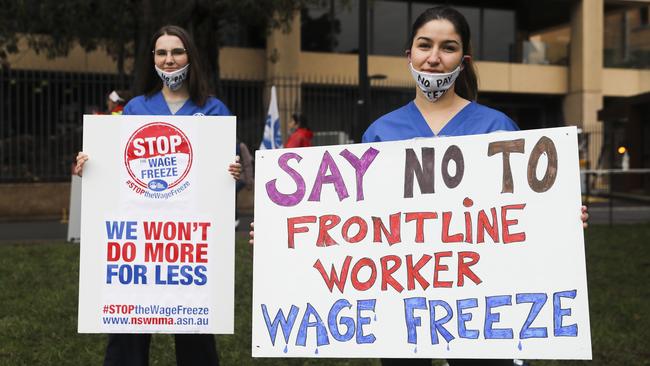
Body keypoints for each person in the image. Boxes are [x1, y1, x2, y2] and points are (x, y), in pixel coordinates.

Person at [364, 6, 587, 366]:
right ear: (409, 54)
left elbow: (525, 215)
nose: (434, 58)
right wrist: (281, 238)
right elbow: (355, 223)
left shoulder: (497, 128)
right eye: (424, 45)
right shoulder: (378, 133)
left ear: (463, 60)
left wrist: (560, 220)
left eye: (447, 47)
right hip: (402, 300)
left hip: (482, 304)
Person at [75, 25, 240, 366]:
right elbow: (117, 169)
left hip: (192, 244)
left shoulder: (214, 110)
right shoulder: (135, 108)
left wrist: (235, 175)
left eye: (177, 51)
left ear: (190, 57)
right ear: (152, 59)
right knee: (128, 329)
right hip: (140, 241)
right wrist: (90, 167)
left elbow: (228, 186)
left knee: (195, 328)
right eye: (161, 53)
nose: (169, 60)